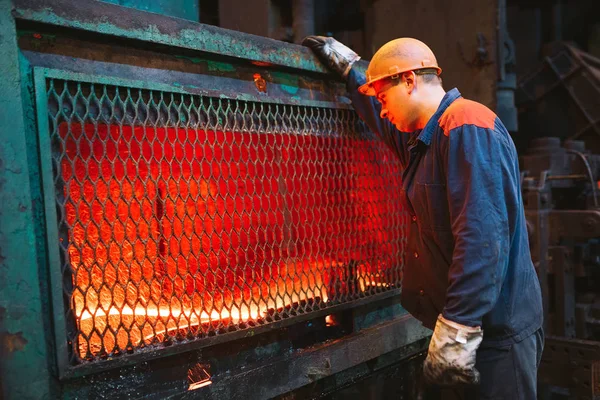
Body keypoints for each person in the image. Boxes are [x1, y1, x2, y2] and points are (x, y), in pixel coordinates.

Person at [302, 36, 544, 399]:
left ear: (410, 81)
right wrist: (352, 69)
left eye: (384, 98)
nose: (382, 110)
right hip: (470, 329)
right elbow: (381, 122)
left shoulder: (467, 126)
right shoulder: (424, 140)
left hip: (495, 338)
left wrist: (457, 332)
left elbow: (482, 240)